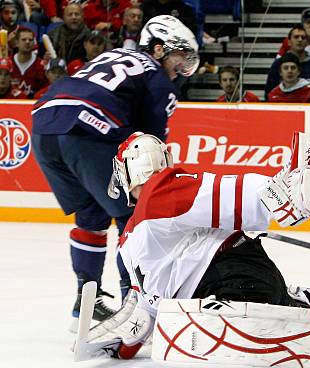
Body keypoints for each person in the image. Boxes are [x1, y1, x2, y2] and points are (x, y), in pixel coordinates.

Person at [84, 131, 310, 365]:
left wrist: (278, 194)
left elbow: (221, 194)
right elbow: (145, 307)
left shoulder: (156, 197)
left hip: (229, 280)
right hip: (244, 272)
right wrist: (120, 344)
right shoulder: (134, 234)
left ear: (129, 169)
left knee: (196, 336)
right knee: (285, 305)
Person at [30, 15, 199, 326]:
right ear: (158, 49)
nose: (183, 66)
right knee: (132, 215)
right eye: (181, 55)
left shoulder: (113, 55)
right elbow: (148, 145)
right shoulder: (157, 77)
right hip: (88, 131)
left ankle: (87, 299)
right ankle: (132, 302)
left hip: (43, 125)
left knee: (91, 217)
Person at [265, 25, 310, 100]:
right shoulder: (278, 64)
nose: (300, 40)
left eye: (303, 37)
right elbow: (269, 91)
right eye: (296, 37)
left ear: (307, 42)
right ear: (289, 42)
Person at [9, 27, 47, 98]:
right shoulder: (8, 63)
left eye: (30, 40)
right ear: (16, 43)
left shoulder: (41, 65)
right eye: (24, 40)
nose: (27, 42)